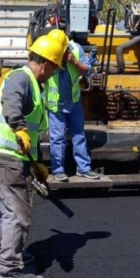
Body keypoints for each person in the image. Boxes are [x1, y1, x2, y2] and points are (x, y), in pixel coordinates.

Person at [0, 34, 66, 278]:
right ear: (46, 64)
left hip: (0, 159)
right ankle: (7, 269)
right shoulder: (21, 78)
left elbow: (33, 135)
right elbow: (11, 101)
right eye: (54, 69)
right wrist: (18, 126)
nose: (52, 75)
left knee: (4, 213)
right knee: (17, 214)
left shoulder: (33, 85)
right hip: (6, 161)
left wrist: (36, 164)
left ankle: (6, 255)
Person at [44, 28, 100, 182]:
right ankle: (58, 170)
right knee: (57, 138)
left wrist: (74, 61)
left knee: (78, 136)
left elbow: (89, 72)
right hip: (55, 104)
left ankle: (84, 168)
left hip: (74, 103)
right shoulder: (46, 51)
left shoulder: (75, 49)